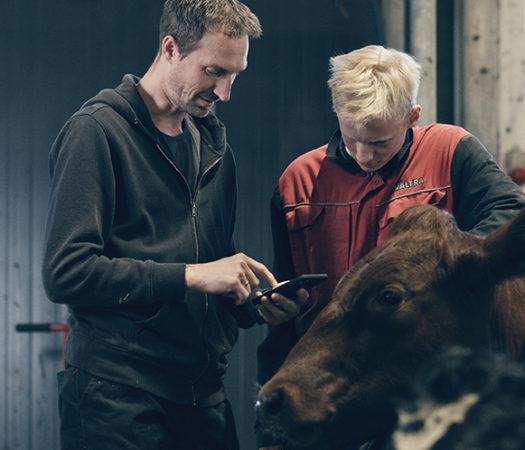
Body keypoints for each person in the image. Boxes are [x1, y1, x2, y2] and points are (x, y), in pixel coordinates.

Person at [42, 1, 307, 449]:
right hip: (117, 399)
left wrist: (254, 304)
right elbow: (67, 271)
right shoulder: (96, 132)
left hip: (202, 398)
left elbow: (211, 272)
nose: (224, 92)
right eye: (214, 72)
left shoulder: (215, 149)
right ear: (170, 48)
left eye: (234, 75)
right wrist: (193, 275)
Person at [256, 45, 525, 450]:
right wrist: (274, 307)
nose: (365, 156)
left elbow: (509, 212)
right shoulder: (297, 181)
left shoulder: (450, 150)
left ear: (412, 117)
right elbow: (283, 285)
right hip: (327, 382)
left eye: (379, 142)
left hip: (414, 390)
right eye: (352, 139)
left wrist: (446, 258)